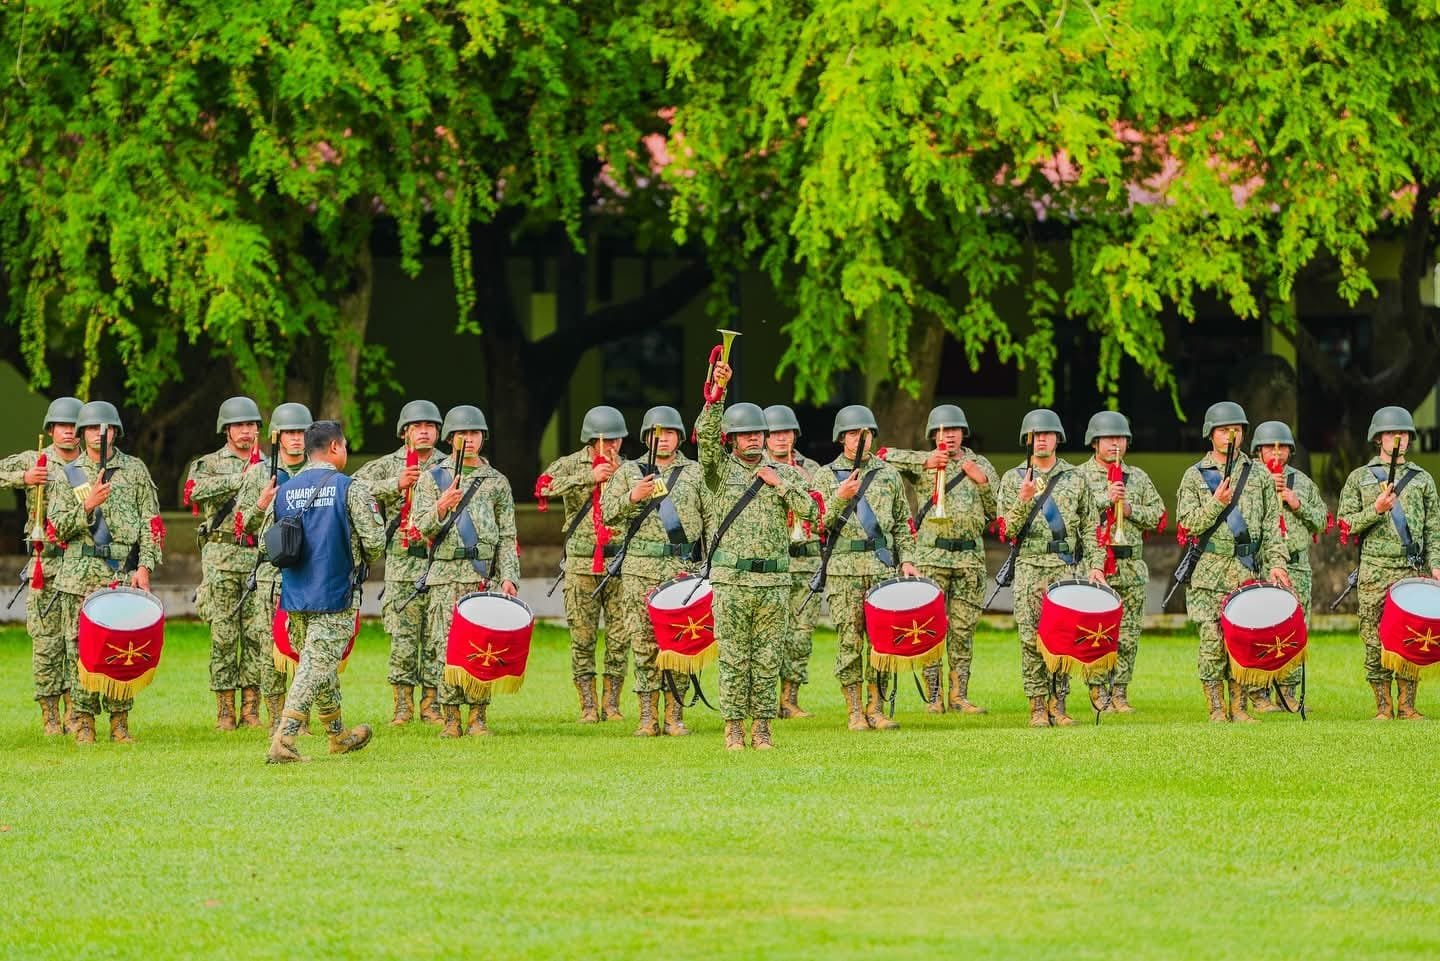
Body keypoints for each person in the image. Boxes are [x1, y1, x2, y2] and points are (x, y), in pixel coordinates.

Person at [696, 367, 818, 749]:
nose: (754, 438)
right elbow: (704, 439)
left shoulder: (783, 472)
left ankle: (763, 728)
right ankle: (733, 727)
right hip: (732, 580)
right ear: (731, 439)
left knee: (768, 658)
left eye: (758, 433)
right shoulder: (718, 473)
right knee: (734, 658)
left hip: (774, 581)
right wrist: (717, 393)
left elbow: (813, 512)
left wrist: (779, 484)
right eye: (745, 434)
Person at [265, 420, 386, 764]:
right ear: (334, 447)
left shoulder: (284, 490)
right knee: (315, 666)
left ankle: (337, 736)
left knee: (319, 662)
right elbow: (375, 543)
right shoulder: (350, 488)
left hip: (296, 593)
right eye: (344, 446)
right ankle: (284, 740)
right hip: (335, 592)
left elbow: (265, 543)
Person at [47, 401, 164, 744]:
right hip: (79, 574)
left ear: (116, 432)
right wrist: (87, 505)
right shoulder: (69, 473)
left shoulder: (135, 469)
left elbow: (151, 523)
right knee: (79, 649)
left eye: (107, 428)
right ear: (82, 433)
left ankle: (119, 722)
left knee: (123, 645)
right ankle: (83, 721)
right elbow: (55, 528)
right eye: (92, 428)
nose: (100, 434)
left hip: (122, 573)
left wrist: (144, 566)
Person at [1174, 401, 1290, 723]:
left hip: (1246, 571)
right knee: (1212, 644)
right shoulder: (1194, 476)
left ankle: (1239, 708)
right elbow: (1188, 524)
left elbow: (1271, 527)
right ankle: (1216, 708)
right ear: (1210, 434)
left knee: (1242, 641)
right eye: (1224, 430)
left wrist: (1277, 564)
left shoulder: (1259, 474)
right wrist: (1216, 503)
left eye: (1236, 430)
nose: (1230, 436)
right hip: (1209, 575)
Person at [409, 405, 520, 738]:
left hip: (482, 575)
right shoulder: (432, 478)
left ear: (482, 437)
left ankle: (478, 716)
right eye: (461, 434)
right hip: (445, 574)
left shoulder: (496, 481)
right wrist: (442, 505)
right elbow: (420, 527)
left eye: (474, 433)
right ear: (450, 438)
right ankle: (451, 717)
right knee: (446, 647)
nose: (468, 439)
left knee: (482, 646)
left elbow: (507, 535)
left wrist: (509, 576)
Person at [879, 404, 998, 715]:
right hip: (931, 557)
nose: (949, 436)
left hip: (969, 559)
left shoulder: (980, 464)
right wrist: (924, 460)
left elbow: (998, 513)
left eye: (955, 430)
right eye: (943, 431)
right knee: (929, 628)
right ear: (933, 435)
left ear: (963, 433)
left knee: (963, 631)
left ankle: (959, 695)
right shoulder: (925, 463)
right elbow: (882, 456)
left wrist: (982, 483)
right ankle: (934, 697)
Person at [812, 405, 920, 732]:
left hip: (881, 568)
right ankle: (855, 711)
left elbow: (902, 523)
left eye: (866, 433)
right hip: (844, 571)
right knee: (850, 642)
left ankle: (876, 707)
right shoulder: (825, 476)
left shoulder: (888, 474)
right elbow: (816, 524)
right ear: (841, 437)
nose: (861, 439)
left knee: (882, 642)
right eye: (853, 433)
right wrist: (840, 497)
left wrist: (907, 559)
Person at [996, 409, 1107, 727]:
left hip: (1065, 568)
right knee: (1031, 640)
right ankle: (1037, 707)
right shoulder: (1013, 479)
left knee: (1063, 639)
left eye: (1047, 434)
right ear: (1026, 440)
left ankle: (1058, 705)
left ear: (1058, 438)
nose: (1041, 439)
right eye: (1035, 435)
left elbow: (1090, 529)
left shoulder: (1075, 477)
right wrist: (1023, 499)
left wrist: (1096, 566)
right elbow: (1007, 531)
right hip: (1029, 567)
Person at [601, 405, 705, 737]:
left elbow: (711, 518)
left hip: (681, 570)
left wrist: (708, 565)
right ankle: (647, 717)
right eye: (657, 434)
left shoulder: (695, 472)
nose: (664, 440)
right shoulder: (628, 472)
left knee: (680, 643)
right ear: (647, 438)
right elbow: (606, 514)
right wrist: (632, 497)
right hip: (639, 571)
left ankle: (675, 715)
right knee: (644, 644)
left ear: (679, 437)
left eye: (670, 433)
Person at [1336, 406, 1440, 721]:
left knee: (1411, 638)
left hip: (1411, 570)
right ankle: (1383, 706)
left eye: (1404, 433)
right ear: (1378, 438)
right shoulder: (1360, 478)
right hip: (1374, 571)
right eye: (1392, 433)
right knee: (1373, 639)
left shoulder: (1422, 480)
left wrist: (1436, 565)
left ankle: (1407, 706)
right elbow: (1344, 526)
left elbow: (1434, 530)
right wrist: (1376, 509)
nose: (1399, 438)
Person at [353, 400, 448, 726]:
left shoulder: (448, 465)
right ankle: (402, 707)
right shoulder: (388, 464)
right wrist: (395, 484)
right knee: (403, 640)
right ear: (404, 432)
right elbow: (353, 487)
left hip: (439, 563)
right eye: (416, 426)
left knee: (437, 638)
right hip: (401, 564)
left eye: (430, 426)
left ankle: (432, 705)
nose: (424, 431)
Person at [536, 406, 631, 723]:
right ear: (591, 440)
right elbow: (543, 486)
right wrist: (589, 477)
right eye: (606, 440)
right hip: (581, 564)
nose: (612, 445)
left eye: (617, 440)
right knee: (582, 638)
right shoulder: (569, 463)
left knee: (620, 638)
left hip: (619, 562)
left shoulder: (629, 468)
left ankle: (612, 704)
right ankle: (588, 706)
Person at [0, 396, 83, 734]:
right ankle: (50, 715)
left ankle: (75, 712)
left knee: (77, 642)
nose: (69, 432)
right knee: (46, 642)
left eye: (74, 426)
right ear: (51, 430)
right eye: (62, 426)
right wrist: (25, 476)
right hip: (44, 563)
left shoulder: (90, 465)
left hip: (80, 564)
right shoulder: (37, 459)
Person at [1075, 410, 1166, 713]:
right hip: (1096, 566)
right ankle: (1098, 690)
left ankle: (1120, 692)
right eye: (1108, 438)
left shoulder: (1138, 477)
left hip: (1131, 567)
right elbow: (1070, 515)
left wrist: (1130, 510)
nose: (1116, 444)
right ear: (1094, 442)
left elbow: (1158, 514)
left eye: (1121, 438)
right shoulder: (1078, 477)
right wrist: (1105, 498)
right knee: (1096, 632)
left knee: (1128, 635)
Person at [185, 396, 267, 730]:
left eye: (251, 425)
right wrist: (240, 479)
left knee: (257, 636)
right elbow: (193, 491)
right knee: (223, 636)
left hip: (258, 560)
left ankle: (251, 709)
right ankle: (224, 711)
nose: (246, 431)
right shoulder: (209, 463)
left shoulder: (269, 463)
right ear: (226, 430)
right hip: (221, 559)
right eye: (239, 425)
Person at [235, 402, 314, 733]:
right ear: (277, 436)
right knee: (270, 650)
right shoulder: (259, 473)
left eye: (301, 432)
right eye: (289, 432)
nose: (296, 439)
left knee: (306, 648)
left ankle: (300, 717)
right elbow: (242, 523)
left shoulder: (318, 472)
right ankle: (276, 717)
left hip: (308, 573)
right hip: (271, 574)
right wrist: (261, 504)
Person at [1247, 420, 1329, 713]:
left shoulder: (1302, 483)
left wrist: (1296, 503)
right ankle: (1258, 692)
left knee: (1293, 631)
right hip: (1259, 565)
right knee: (1258, 628)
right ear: (1258, 451)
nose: (1276, 453)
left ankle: (1287, 692)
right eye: (1269, 447)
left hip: (1296, 567)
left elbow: (1323, 521)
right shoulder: (1248, 480)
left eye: (1282, 448)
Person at [763, 404, 823, 719]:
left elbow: (824, 511)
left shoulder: (811, 468)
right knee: (768, 635)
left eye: (786, 432)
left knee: (800, 635)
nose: (781, 439)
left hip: (806, 560)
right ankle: (762, 701)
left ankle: (789, 699)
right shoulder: (755, 466)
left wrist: (807, 484)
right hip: (772, 562)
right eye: (774, 433)